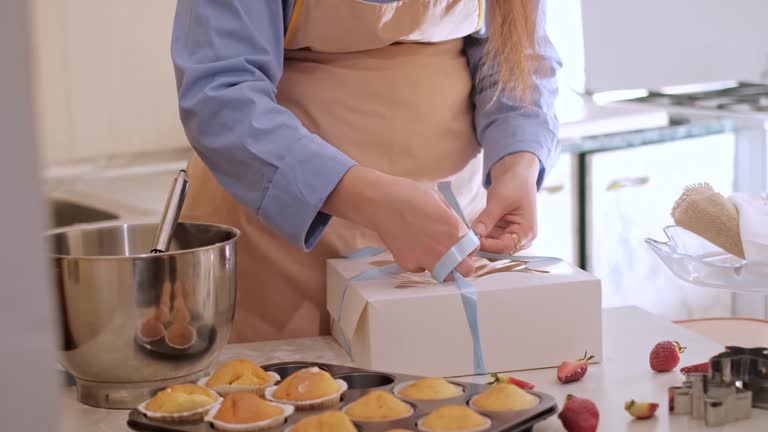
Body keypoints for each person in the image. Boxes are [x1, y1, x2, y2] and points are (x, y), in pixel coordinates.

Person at [171, 0, 561, 343]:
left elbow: (516, 50)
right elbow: (221, 96)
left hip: (448, 227)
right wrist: (371, 200)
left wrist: (518, 161)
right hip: (276, 242)